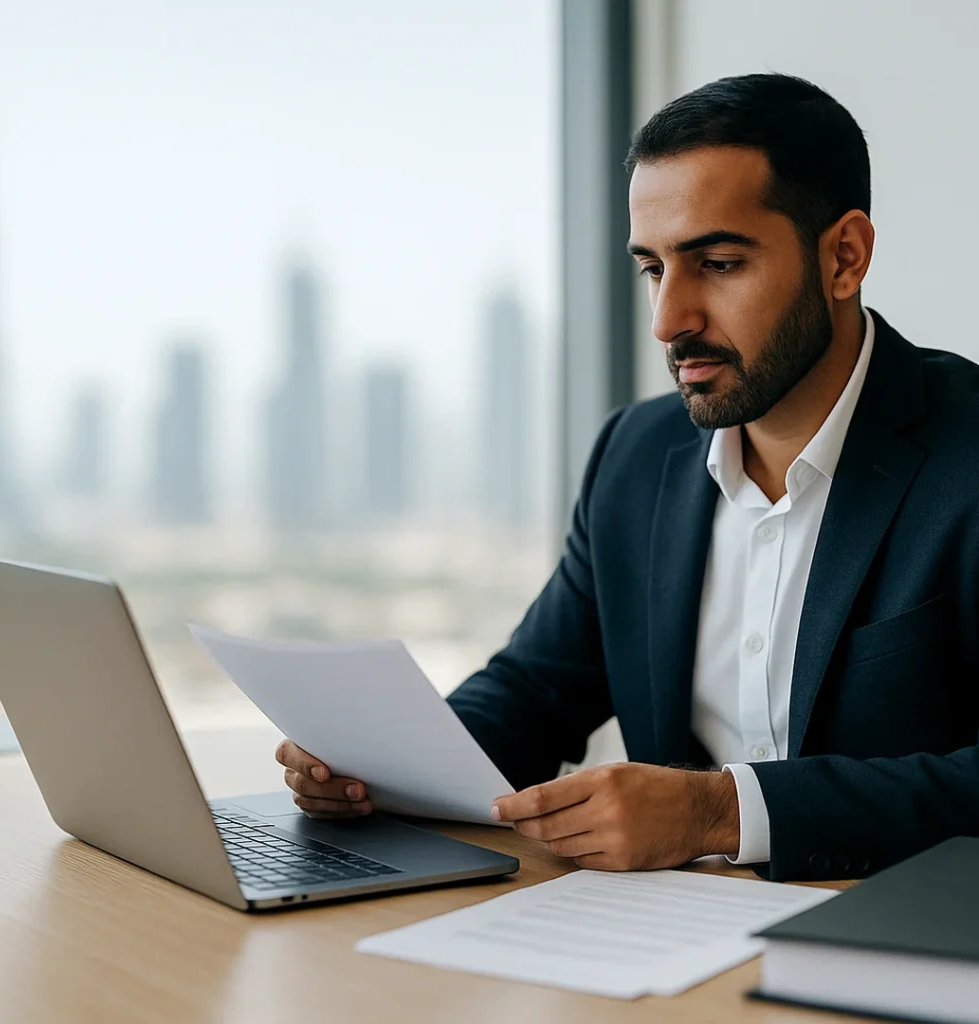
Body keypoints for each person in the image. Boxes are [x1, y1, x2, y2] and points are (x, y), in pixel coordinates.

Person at [275, 73, 979, 882]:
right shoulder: (638, 455)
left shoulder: (965, 453)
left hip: (903, 944)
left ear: (843, 257)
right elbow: (535, 691)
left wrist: (719, 810)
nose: (669, 320)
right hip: (666, 949)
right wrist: (378, 769)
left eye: (717, 262)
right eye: (652, 268)